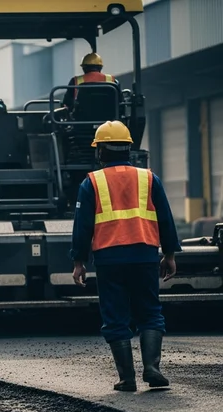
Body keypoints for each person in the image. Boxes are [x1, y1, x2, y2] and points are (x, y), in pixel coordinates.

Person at [70, 121, 180, 392]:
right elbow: (165, 219)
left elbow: (82, 226)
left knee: (115, 315)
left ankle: (127, 378)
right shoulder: (149, 179)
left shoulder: (92, 182)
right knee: (150, 311)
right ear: (129, 148)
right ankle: (152, 368)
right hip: (144, 255)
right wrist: (169, 254)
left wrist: (78, 261)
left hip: (109, 258)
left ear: (100, 151)